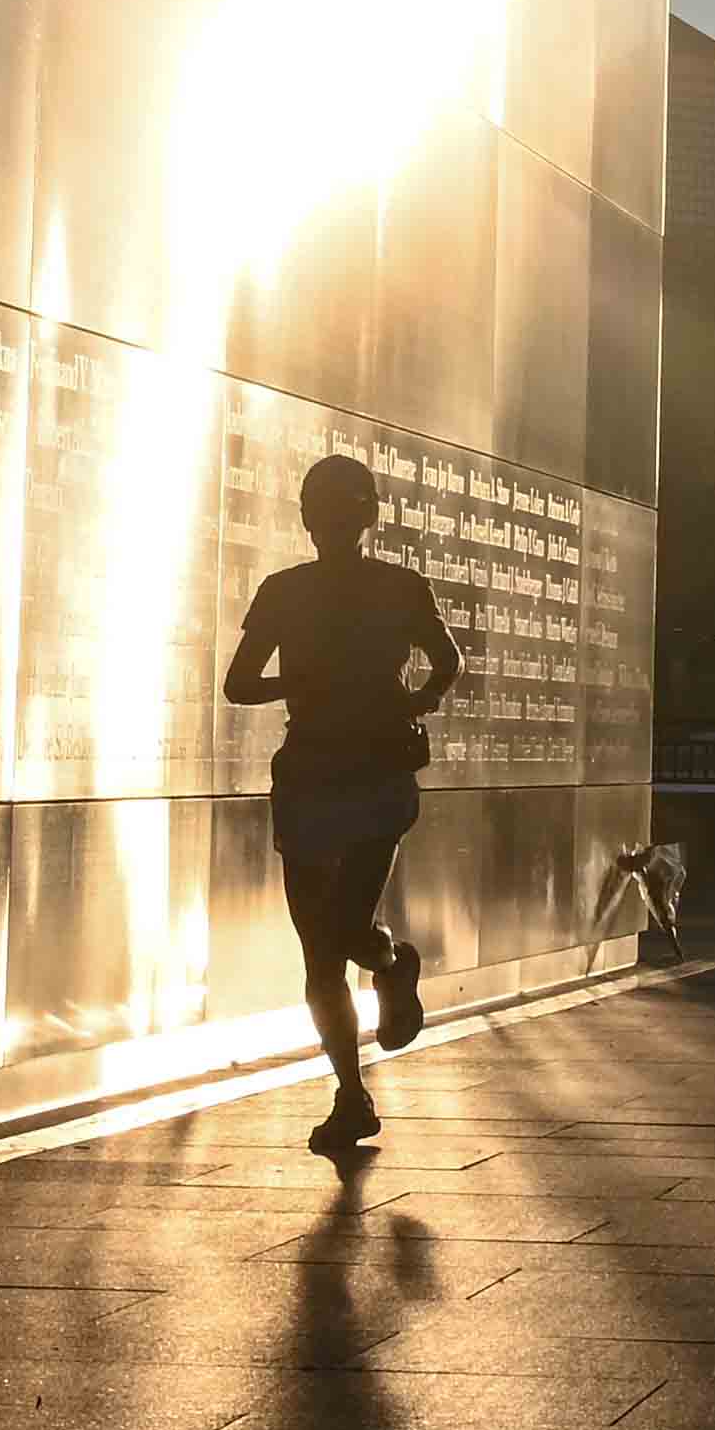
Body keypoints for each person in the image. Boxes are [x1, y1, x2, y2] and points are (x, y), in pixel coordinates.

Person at [224, 453, 465, 1156]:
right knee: (320, 951)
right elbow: (239, 684)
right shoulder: (286, 591)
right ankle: (351, 1095)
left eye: (337, 509)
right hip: (313, 774)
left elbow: (446, 660)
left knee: (345, 931)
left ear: (364, 517)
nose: (325, 522)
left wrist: (418, 701)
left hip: (374, 773)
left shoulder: (398, 587)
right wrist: (308, 682)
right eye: (317, 509)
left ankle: (389, 963)